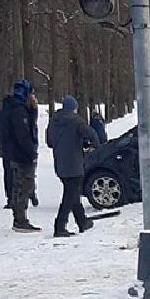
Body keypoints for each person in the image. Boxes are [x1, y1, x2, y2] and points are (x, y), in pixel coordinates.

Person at [45, 96, 100, 238]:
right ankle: (60, 226)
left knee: (73, 192)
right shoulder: (77, 121)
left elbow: (49, 142)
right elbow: (92, 134)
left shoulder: (54, 121)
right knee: (70, 195)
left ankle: (82, 222)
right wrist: (94, 146)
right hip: (74, 164)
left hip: (60, 164)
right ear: (74, 108)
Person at [0, 79, 42, 232]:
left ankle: (19, 217)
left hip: (12, 153)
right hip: (21, 155)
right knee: (23, 186)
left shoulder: (7, 108)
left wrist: (3, 146)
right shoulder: (18, 111)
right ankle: (20, 219)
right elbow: (24, 135)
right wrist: (30, 152)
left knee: (17, 186)